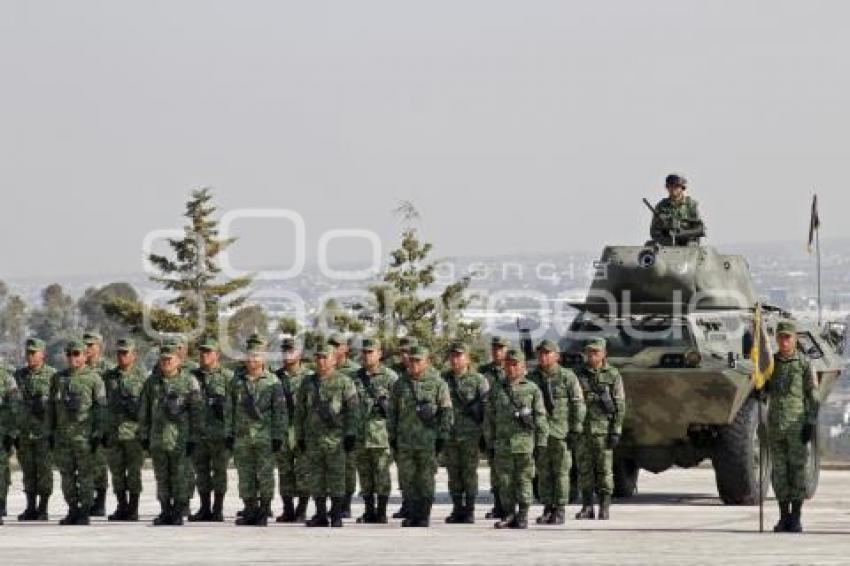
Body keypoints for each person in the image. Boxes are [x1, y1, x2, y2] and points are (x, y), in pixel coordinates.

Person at [388, 345, 453, 528]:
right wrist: (392, 436)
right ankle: (412, 513)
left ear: (427, 362)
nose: (414, 364)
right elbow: (392, 412)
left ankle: (423, 515)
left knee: (425, 479)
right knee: (407, 479)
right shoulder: (400, 384)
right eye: (412, 360)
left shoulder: (438, 384)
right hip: (405, 442)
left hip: (427, 442)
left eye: (418, 361)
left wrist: (442, 437)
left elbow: (446, 412)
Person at [295, 343, 358, 528]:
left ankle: (337, 514)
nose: (321, 361)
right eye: (318, 357)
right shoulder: (308, 382)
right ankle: (320, 514)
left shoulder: (344, 382)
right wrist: (299, 436)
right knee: (316, 478)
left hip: (336, 439)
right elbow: (300, 412)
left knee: (337, 476)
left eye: (325, 357)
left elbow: (353, 411)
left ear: (334, 359)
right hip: (313, 439)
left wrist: (350, 434)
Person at [139, 343, 201, 526]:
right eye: (163, 359)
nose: (165, 362)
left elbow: (197, 412)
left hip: (180, 440)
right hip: (158, 439)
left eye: (169, 359)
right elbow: (144, 411)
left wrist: (194, 438)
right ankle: (165, 510)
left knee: (180, 476)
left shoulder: (189, 382)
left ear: (179, 361)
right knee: (162, 477)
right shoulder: (152, 382)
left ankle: (178, 512)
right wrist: (143, 435)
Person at [485, 348, 548, 529]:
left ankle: (523, 514)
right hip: (502, 444)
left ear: (522, 366)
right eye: (508, 365)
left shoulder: (532, 389)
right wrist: (489, 443)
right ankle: (509, 513)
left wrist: (541, 443)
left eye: (515, 365)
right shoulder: (497, 389)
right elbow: (489, 419)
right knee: (505, 481)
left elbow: (540, 417)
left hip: (524, 444)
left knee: (524, 479)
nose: (511, 369)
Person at [227, 337, 286, 526]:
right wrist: (228, 434)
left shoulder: (273, 381)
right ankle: (250, 510)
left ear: (263, 359)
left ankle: (264, 510)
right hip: (242, 437)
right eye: (249, 356)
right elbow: (229, 410)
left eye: (256, 357)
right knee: (245, 475)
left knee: (265, 475)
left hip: (265, 437)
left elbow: (280, 412)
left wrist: (278, 435)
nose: (252, 360)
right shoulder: (237, 382)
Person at [767, 321, 818, 533]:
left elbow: (813, 396)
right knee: (779, 472)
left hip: (796, 426)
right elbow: (761, 386)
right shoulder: (769, 364)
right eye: (781, 337)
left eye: (788, 337)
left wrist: (811, 423)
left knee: (797, 471)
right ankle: (783, 517)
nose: (784, 341)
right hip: (776, 426)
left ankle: (796, 517)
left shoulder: (804, 363)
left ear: (795, 339)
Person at [49, 339, 106, 526]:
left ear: (84, 356)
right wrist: (50, 432)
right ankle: (72, 509)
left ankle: (84, 511)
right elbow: (52, 408)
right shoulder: (59, 379)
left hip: (85, 437)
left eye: (76, 353)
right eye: (69, 354)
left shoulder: (94, 378)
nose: (72, 357)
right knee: (66, 475)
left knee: (85, 475)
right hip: (64, 437)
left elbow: (101, 409)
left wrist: (98, 433)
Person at [528, 339, 585, 525]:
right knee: (543, 473)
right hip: (540, 434)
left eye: (547, 353)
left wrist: (576, 429)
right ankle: (547, 507)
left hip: (562, 433)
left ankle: (560, 509)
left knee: (561, 473)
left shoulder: (568, 377)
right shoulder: (532, 378)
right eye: (541, 353)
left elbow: (578, 404)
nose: (543, 356)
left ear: (557, 356)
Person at [574, 338, 626, 521]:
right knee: (584, 470)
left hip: (603, 431)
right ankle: (587, 506)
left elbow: (620, 404)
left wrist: (616, 430)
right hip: (583, 431)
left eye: (596, 352)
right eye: (589, 352)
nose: (592, 355)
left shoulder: (612, 374)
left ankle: (604, 507)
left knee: (604, 471)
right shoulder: (578, 374)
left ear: (604, 354)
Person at [352, 338, 398, 524]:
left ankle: (382, 511)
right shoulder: (355, 378)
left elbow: (398, 408)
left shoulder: (391, 377)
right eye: (364, 352)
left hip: (381, 435)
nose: (367, 355)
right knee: (364, 474)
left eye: (371, 352)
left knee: (381, 474)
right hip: (360, 434)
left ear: (379, 354)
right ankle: (369, 510)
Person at [442, 341, 488, 524]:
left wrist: (485, 435)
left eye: (459, 356)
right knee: (453, 474)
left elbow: (486, 409)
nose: (455, 360)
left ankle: (469, 509)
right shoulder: (444, 379)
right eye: (452, 356)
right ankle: (457, 508)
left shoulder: (478, 380)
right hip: (450, 434)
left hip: (470, 435)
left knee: (469, 473)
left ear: (467, 359)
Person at [188, 336, 233, 522]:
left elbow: (235, 406)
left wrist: (232, 432)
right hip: (198, 434)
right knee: (201, 472)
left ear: (217, 355)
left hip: (220, 434)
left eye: (208, 352)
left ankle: (218, 509)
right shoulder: (191, 377)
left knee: (220, 472)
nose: (204, 355)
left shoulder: (228, 378)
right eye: (202, 352)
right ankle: (204, 508)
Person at [102, 337, 147, 521]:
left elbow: (147, 408)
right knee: (117, 473)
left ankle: (133, 508)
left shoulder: (143, 378)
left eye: (125, 353)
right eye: (119, 353)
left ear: (134, 355)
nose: (121, 356)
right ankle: (122, 506)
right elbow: (101, 406)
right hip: (113, 433)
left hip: (134, 434)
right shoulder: (108, 378)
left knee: (134, 473)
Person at [14, 337, 56, 521]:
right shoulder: (19, 376)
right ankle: (30, 507)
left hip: (44, 434)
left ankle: (43, 508)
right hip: (24, 433)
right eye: (28, 352)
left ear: (42, 354)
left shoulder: (53, 376)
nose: (30, 356)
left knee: (44, 472)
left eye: (33, 352)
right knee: (28, 472)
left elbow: (58, 406)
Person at [274, 337, 310, 523]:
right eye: (285, 350)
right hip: (282, 430)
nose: (288, 354)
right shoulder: (275, 377)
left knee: (304, 471)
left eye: (292, 350)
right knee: (284, 471)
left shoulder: (309, 377)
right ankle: (288, 509)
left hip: (302, 430)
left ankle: (302, 509)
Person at [329, 332, 361, 518]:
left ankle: (346, 504)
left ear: (345, 349)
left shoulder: (355, 371)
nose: (333, 348)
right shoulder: (322, 370)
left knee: (348, 468)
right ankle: (332, 504)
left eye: (337, 345)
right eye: (331, 345)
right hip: (327, 429)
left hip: (348, 427)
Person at [478, 336, 510, 520]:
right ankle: (498, 505)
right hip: (491, 427)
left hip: (511, 427)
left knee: (510, 470)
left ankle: (510, 506)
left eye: (501, 348)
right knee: (495, 469)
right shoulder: (484, 372)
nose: (498, 351)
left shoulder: (514, 370)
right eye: (495, 348)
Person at [83, 331, 111, 517]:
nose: (86, 349)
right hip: (81, 424)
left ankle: (100, 503)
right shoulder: (79, 367)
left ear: (99, 348)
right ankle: (87, 500)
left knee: (100, 464)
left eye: (90, 345)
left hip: (101, 423)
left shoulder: (108, 370)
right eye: (84, 345)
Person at [649, 173, 705, 246]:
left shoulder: (691, 205)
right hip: (667, 242)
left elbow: (700, 228)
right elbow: (654, 231)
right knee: (650, 246)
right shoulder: (661, 206)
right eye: (669, 186)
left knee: (691, 246)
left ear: (682, 188)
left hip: (688, 242)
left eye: (676, 186)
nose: (672, 188)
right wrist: (666, 237)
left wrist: (682, 233)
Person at [0, 364, 20, 525]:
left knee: (1, 471)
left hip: (2, 432)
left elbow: (15, 408)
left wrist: (12, 433)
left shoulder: (6, 378)